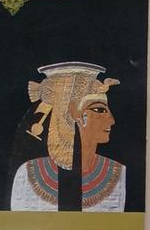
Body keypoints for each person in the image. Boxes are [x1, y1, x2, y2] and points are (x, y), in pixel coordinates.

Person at [10, 62, 125, 212]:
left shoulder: (118, 171)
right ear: (72, 114)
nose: (111, 120)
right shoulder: (27, 173)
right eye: (99, 110)